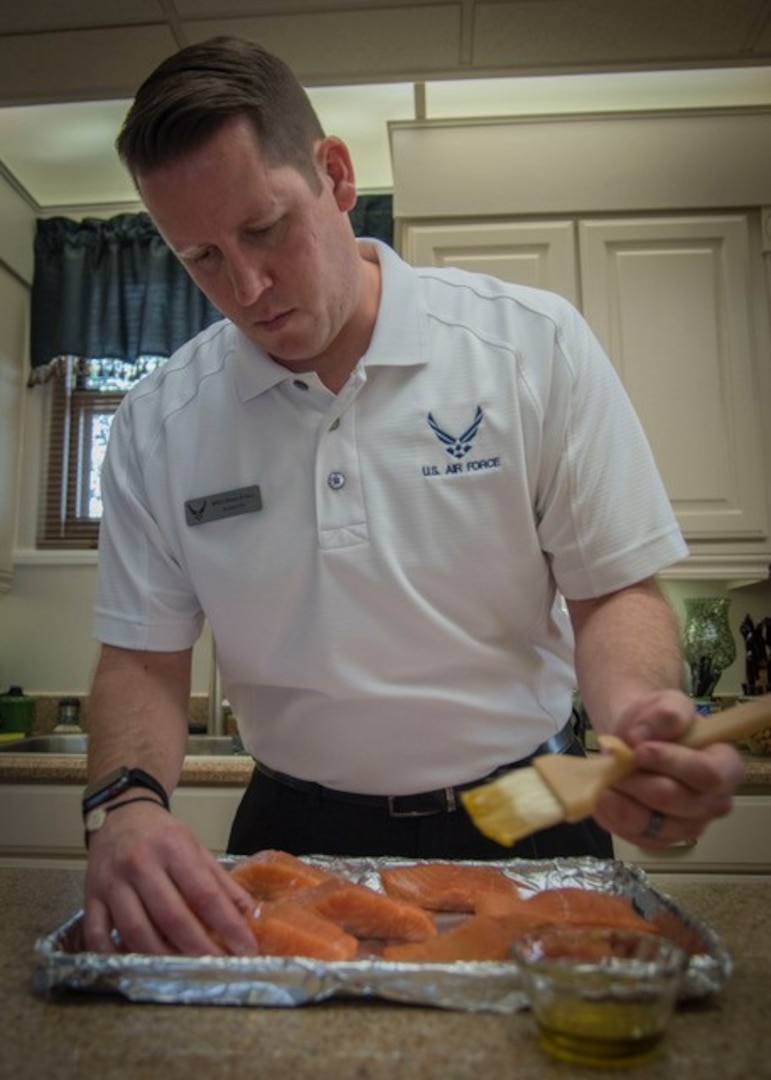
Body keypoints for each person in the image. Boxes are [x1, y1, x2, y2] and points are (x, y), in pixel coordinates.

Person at [82, 36, 745, 957]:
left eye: (265, 228)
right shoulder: (161, 421)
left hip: (526, 818)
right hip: (289, 832)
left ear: (335, 174)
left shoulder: (528, 348)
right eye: (201, 258)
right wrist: (122, 804)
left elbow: (610, 592)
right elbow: (141, 659)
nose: (247, 287)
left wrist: (637, 716)